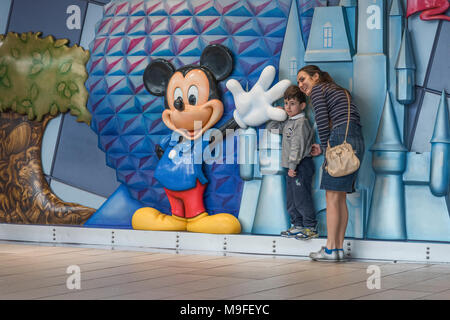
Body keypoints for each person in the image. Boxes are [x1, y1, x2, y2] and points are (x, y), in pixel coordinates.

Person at [297, 65, 365, 262]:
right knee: (340, 198)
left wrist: (327, 149)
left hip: (339, 140)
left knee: (331, 198)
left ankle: (329, 249)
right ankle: (337, 249)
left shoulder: (319, 89)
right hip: (355, 142)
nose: (300, 84)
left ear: (316, 77)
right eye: (298, 81)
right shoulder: (340, 91)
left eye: (303, 79)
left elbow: (322, 119)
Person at [266, 85, 317, 240]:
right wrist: (279, 113)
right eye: (286, 103)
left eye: (292, 103)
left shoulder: (300, 123)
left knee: (302, 197)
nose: (288, 107)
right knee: (292, 198)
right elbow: (271, 128)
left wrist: (293, 166)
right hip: (291, 167)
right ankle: (297, 225)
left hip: (301, 165)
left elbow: (297, 146)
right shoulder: (289, 122)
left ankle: (310, 227)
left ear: (302, 105)